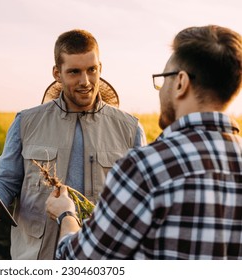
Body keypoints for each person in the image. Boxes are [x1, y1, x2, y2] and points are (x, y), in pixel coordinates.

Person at [46, 24, 242, 260]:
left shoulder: (145, 167)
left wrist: (66, 215)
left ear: (180, 82)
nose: (160, 91)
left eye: (164, 79)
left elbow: (77, 263)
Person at [0, 29, 147, 260]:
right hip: (36, 257)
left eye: (91, 70)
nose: (85, 81)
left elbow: (141, 200)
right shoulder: (26, 122)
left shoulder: (130, 128)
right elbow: (7, 180)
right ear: (57, 73)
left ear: (100, 68)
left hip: (101, 258)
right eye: (74, 72)